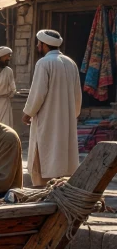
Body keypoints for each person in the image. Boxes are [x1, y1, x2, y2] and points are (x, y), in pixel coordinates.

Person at [23, 29, 82, 185]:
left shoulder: (43, 63)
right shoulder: (71, 63)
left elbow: (38, 93)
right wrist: (72, 114)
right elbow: (77, 95)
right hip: (66, 119)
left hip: (47, 118)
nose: (37, 46)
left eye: (38, 43)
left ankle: (42, 189)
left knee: (44, 151)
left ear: (43, 45)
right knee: (62, 153)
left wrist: (28, 113)